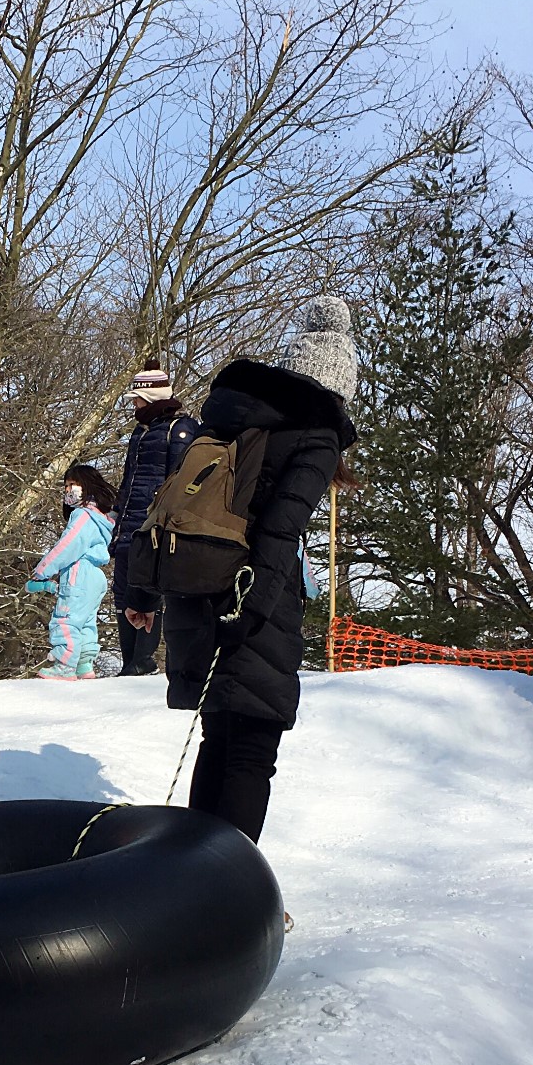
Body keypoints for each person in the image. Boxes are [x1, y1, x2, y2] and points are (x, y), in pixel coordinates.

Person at [153, 297, 358, 843]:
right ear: (337, 386)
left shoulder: (235, 420)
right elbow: (278, 533)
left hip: (196, 591)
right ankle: (228, 899)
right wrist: (251, 610)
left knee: (219, 738)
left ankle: (188, 880)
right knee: (251, 751)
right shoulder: (316, 436)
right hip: (249, 604)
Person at [112, 366, 200, 676]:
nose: (133, 405)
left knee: (148, 588)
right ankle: (128, 662)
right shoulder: (141, 431)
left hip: (156, 526)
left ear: (150, 398)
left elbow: (180, 481)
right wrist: (117, 512)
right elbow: (129, 479)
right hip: (129, 523)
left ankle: (143, 661)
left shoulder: (181, 429)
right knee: (122, 592)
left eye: (137, 399)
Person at [25, 463, 115, 680]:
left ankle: (64, 665)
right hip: (95, 576)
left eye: (73, 485)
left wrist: (42, 571)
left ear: (87, 486)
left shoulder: (83, 516)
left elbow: (67, 546)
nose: (68, 490)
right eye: (66, 486)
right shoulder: (101, 518)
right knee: (85, 620)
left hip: (79, 572)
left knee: (65, 618)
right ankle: (84, 664)